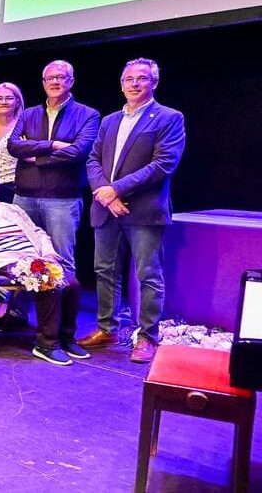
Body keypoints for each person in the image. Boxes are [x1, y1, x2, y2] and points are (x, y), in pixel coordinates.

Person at [79, 57, 185, 364]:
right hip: (106, 208)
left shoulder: (168, 117)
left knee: (148, 274)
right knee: (104, 271)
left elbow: (163, 164)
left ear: (154, 82)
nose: (134, 84)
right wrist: (106, 194)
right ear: (121, 83)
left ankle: (147, 337)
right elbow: (92, 160)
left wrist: (118, 189)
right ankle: (106, 328)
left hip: (143, 210)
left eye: (141, 79)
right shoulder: (110, 120)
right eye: (128, 79)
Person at [0, 169, 84, 366]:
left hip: (33, 256)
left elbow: (37, 232)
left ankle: (66, 338)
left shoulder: (12, 209)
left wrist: (48, 253)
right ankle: (46, 344)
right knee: (44, 279)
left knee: (71, 283)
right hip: (1, 260)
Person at [7, 60, 100, 277]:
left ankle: (64, 312)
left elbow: (78, 151)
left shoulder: (88, 115)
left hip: (63, 200)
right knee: (21, 258)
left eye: (61, 77)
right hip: (24, 197)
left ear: (71, 81)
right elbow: (13, 145)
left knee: (61, 260)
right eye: (50, 78)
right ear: (43, 82)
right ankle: (18, 312)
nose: (55, 82)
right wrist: (52, 145)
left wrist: (35, 157)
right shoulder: (28, 114)